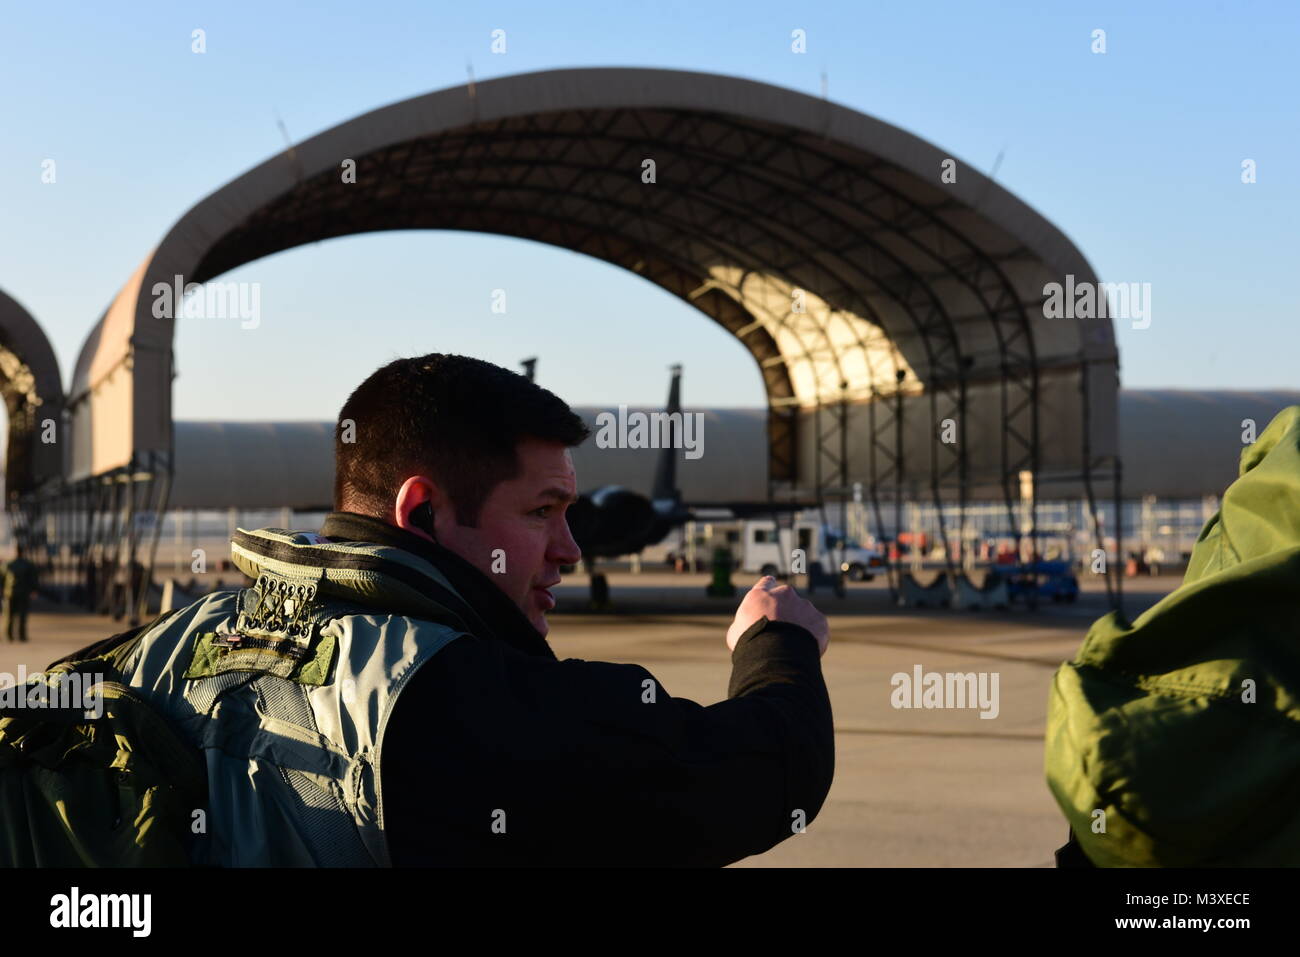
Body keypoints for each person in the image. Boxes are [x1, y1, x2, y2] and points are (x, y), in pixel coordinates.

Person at [103, 353, 835, 866]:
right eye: (542, 510)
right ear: (420, 512)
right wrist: (776, 643)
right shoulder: (462, 701)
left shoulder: (152, 648)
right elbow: (764, 772)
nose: (569, 549)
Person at [1, 544, 38, 643]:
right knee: (22, 615)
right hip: (24, 593)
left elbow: (2, 578)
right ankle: (22, 636)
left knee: (9, 615)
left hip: (10, 593)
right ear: (22, 552)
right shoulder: (28, 564)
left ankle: (9, 635)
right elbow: (33, 579)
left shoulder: (8, 564)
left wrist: (2, 589)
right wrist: (34, 590)